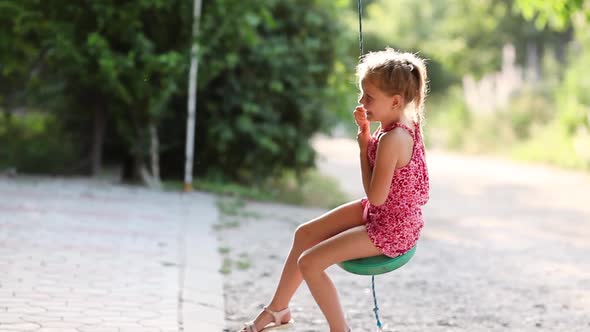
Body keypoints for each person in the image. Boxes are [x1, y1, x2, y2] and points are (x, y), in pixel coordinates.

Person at [239, 48, 430, 332]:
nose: (361, 102)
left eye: (369, 97)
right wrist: (368, 138)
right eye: (362, 93)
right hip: (384, 213)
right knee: (304, 234)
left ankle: (340, 330)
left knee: (310, 263)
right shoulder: (403, 123)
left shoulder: (393, 139)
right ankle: (278, 310)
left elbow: (377, 197)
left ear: (395, 101)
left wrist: (364, 147)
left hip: (392, 228)